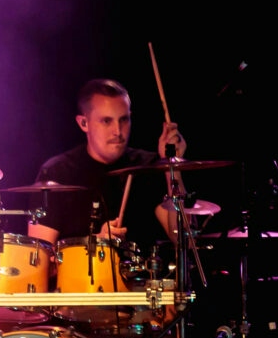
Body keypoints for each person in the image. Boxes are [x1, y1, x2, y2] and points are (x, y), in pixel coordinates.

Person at [24, 78, 187, 257]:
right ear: (83, 123)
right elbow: (39, 258)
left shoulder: (148, 166)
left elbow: (183, 238)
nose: (118, 131)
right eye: (107, 121)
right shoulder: (57, 172)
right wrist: (95, 244)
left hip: (144, 275)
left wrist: (173, 165)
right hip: (81, 275)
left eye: (124, 119)